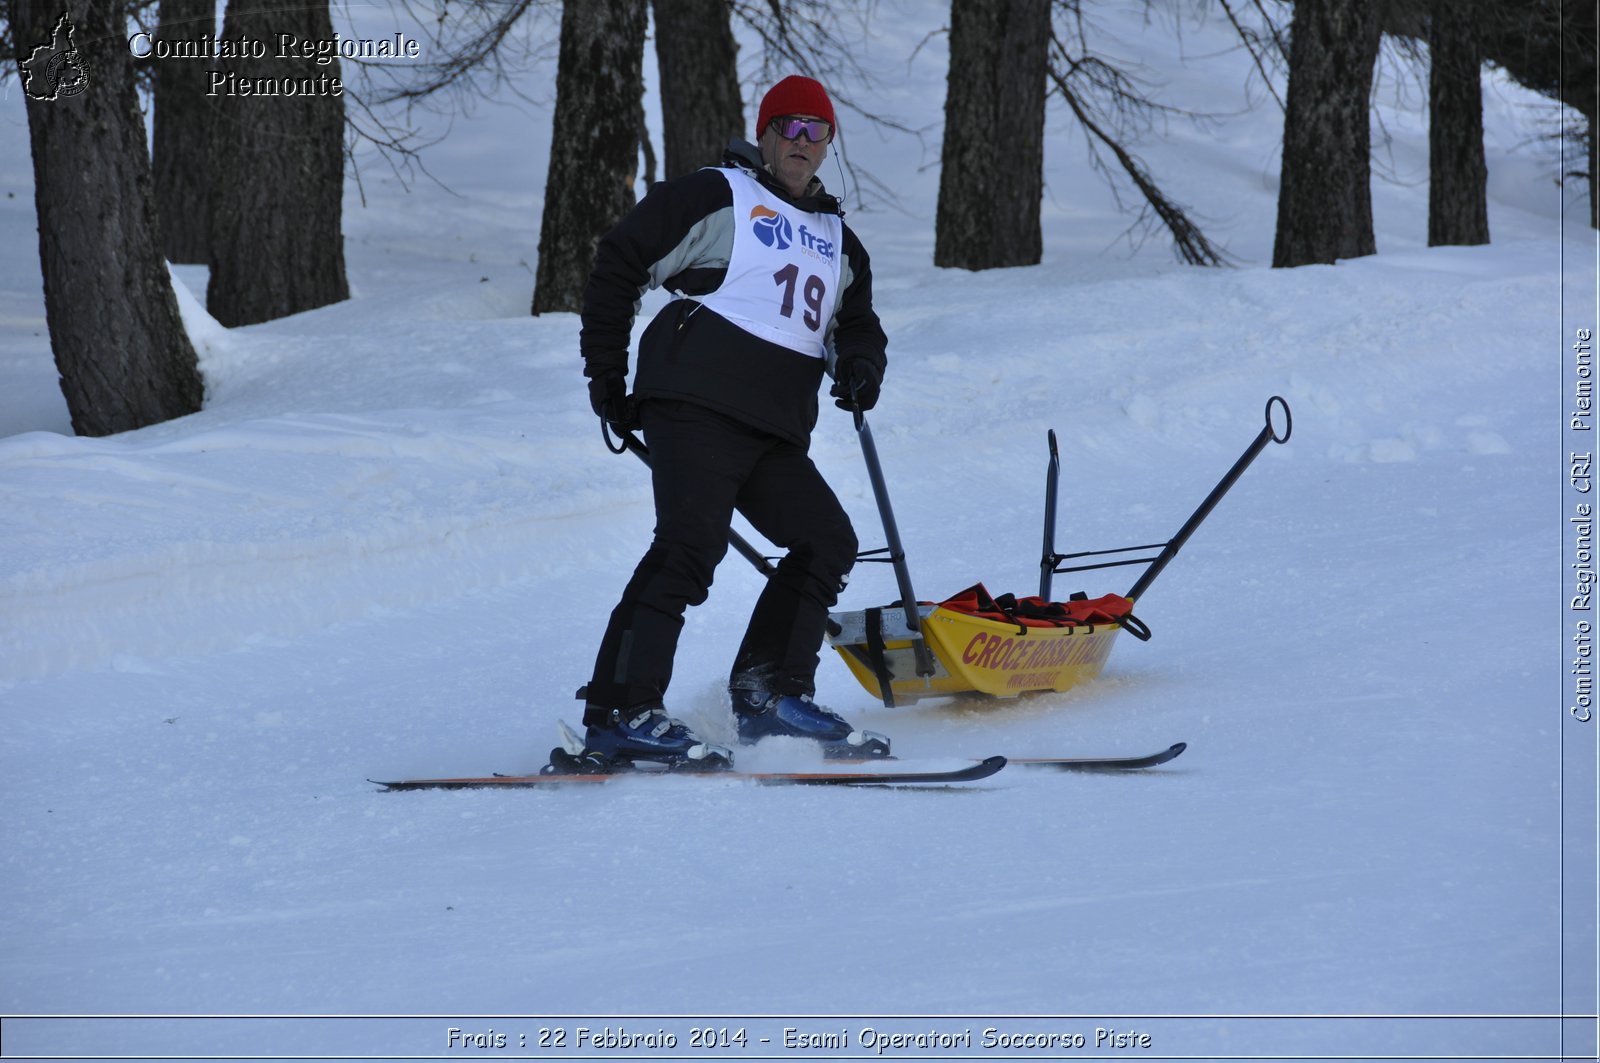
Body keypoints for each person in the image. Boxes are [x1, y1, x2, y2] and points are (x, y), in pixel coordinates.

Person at [573, 75, 890, 770]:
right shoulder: (721, 195)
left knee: (827, 540)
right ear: (766, 133)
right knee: (690, 544)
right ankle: (621, 709)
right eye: (789, 127)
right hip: (693, 402)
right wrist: (606, 375)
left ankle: (768, 692)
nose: (802, 143)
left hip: (772, 428)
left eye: (817, 131)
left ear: (829, 143)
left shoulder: (841, 243)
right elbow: (622, 257)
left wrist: (863, 365)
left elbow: (856, 325)